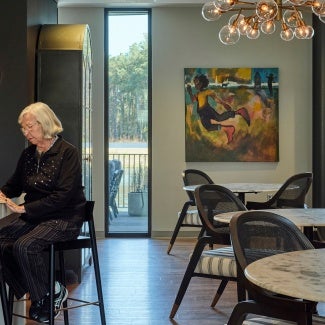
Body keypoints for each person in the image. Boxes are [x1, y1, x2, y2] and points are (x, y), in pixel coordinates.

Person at [0, 102, 86, 322]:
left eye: (30, 127)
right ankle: (49, 291)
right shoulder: (28, 154)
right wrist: (2, 193)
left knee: (24, 246)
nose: (25, 132)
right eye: (23, 128)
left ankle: (42, 295)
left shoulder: (68, 153)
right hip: (34, 217)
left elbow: (62, 197)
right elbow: (14, 185)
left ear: (45, 123)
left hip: (64, 218)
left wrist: (23, 208)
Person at [187, 74, 250, 143]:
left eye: (197, 83)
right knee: (208, 127)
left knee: (219, 118)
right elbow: (193, 100)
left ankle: (238, 112)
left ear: (202, 83)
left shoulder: (207, 91)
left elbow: (216, 99)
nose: (196, 85)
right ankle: (227, 128)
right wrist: (190, 91)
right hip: (202, 113)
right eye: (195, 83)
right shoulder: (198, 94)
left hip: (207, 110)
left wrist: (224, 104)